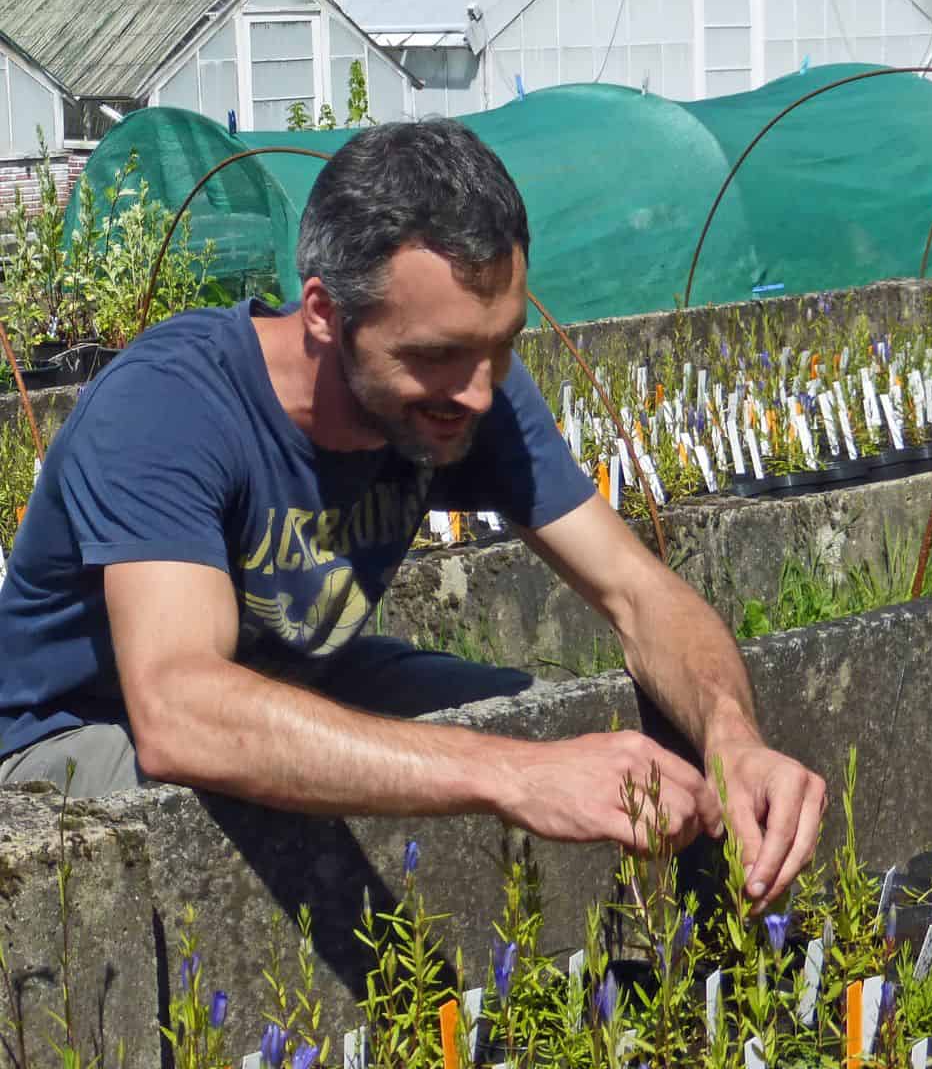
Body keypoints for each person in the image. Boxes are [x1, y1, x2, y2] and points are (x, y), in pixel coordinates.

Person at [0, 120, 824, 912]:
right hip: (73, 734)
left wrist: (731, 734)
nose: (475, 389)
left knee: (574, 724)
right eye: (434, 355)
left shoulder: (469, 387)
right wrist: (513, 776)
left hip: (293, 678)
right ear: (324, 313)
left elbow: (639, 593)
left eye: (499, 345)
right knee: (308, 795)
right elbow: (180, 712)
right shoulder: (170, 407)